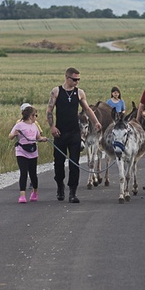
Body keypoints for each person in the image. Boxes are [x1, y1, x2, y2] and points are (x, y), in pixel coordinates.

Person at [47, 67, 102, 203]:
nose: (77, 82)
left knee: (74, 163)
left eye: (79, 79)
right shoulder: (57, 91)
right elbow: (49, 109)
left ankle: (72, 192)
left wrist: (96, 122)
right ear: (67, 78)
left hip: (74, 133)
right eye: (74, 79)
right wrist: (52, 126)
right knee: (59, 163)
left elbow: (87, 109)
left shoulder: (80, 93)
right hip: (60, 132)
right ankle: (60, 185)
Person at [9, 106, 47, 203]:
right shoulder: (19, 125)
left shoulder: (35, 126)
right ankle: (22, 195)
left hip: (32, 150)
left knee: (33, 173)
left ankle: (35, 192)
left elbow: (38, 137)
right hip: (21, 150)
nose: (36, 118)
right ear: (31, 116)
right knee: (23, 172)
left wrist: (42, 139)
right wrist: (14, 134)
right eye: (35, 115)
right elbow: (10, 136)